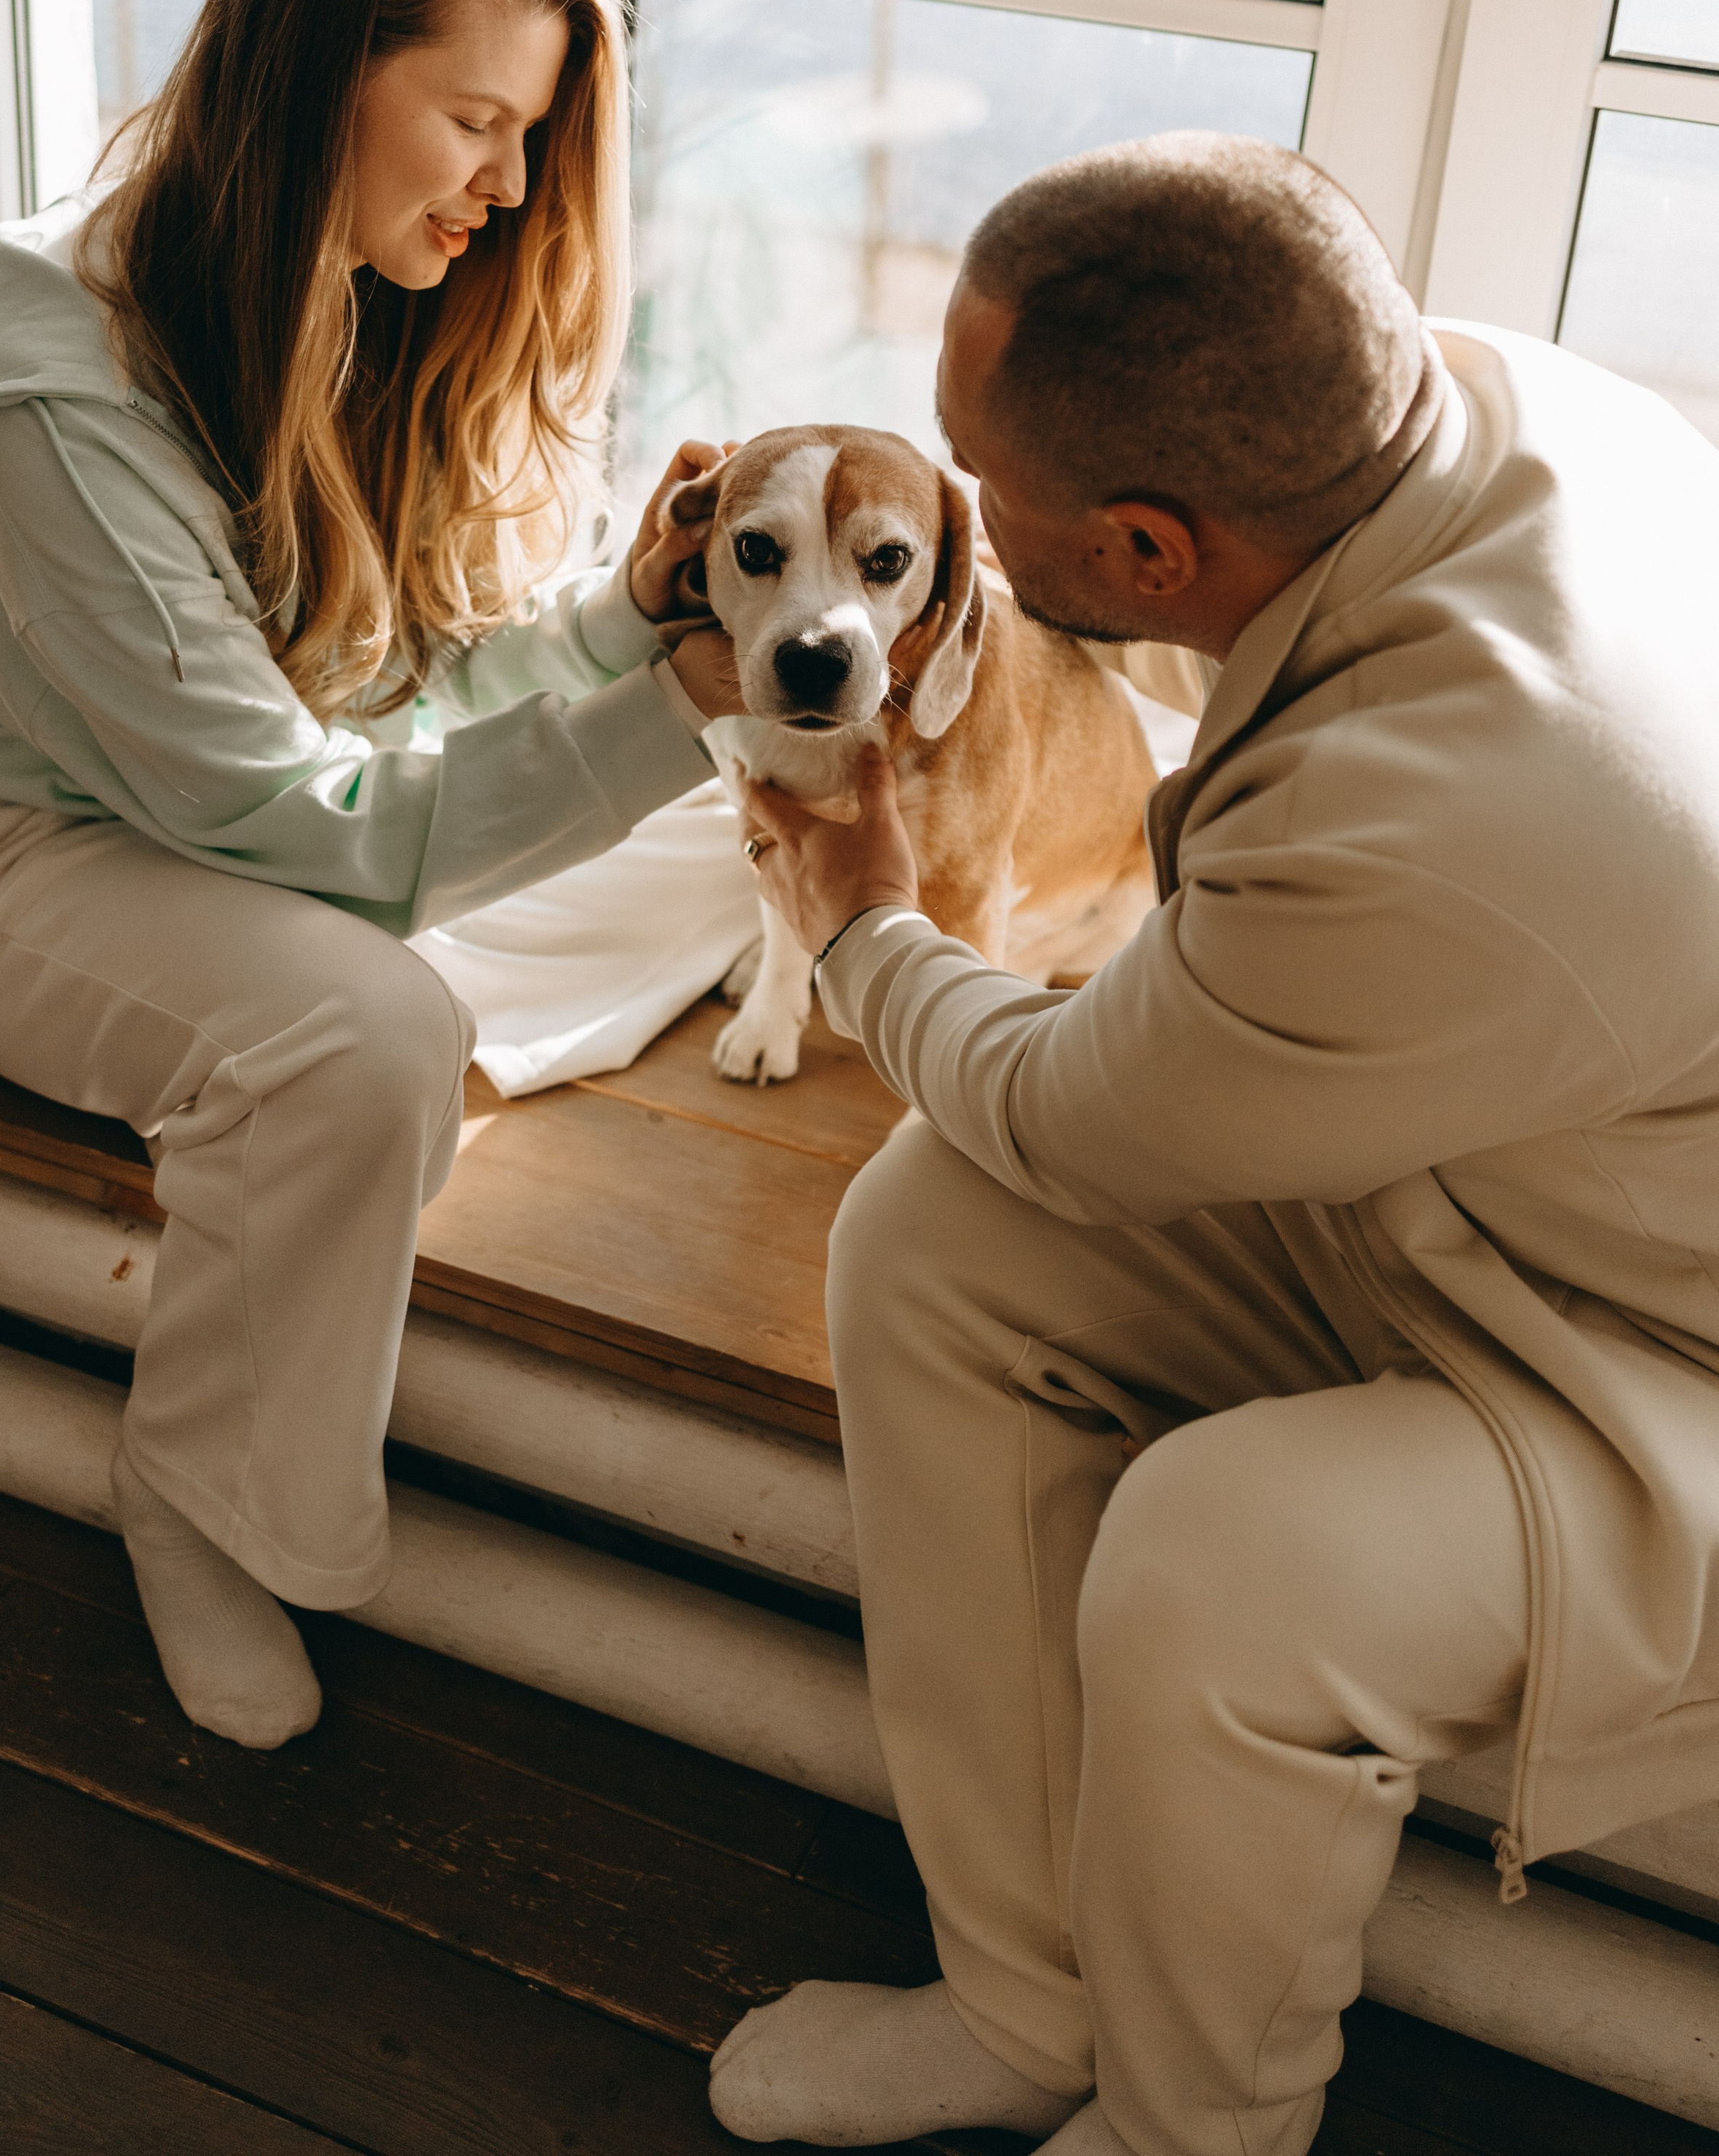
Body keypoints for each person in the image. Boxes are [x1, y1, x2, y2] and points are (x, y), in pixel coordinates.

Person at [711, 131, 1719, 2156]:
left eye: (975, 492)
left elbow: (1072, 1117)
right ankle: (1024, 1998)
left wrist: (859, 923)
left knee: (1220, 1564)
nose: (960, 525)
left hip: (1662, 1367)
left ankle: (1200, 2130)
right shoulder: (1459, 403)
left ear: (1152, 556)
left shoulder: (1455, 797)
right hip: (1498, 1171)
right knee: (926, 1232)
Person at [0, 0, 739, 1753]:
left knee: (722, 818)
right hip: (33, 872)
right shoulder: (53, 392)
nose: (509, 193)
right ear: (318, 67)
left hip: (263, 834)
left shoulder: (337, 298)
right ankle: (195, 1493)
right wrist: (650, 705)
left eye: (528, 141)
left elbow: (403, 695)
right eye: (475, 124)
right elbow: (281, 819)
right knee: (362, 1020)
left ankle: (383, 1076)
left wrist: (625, 623)